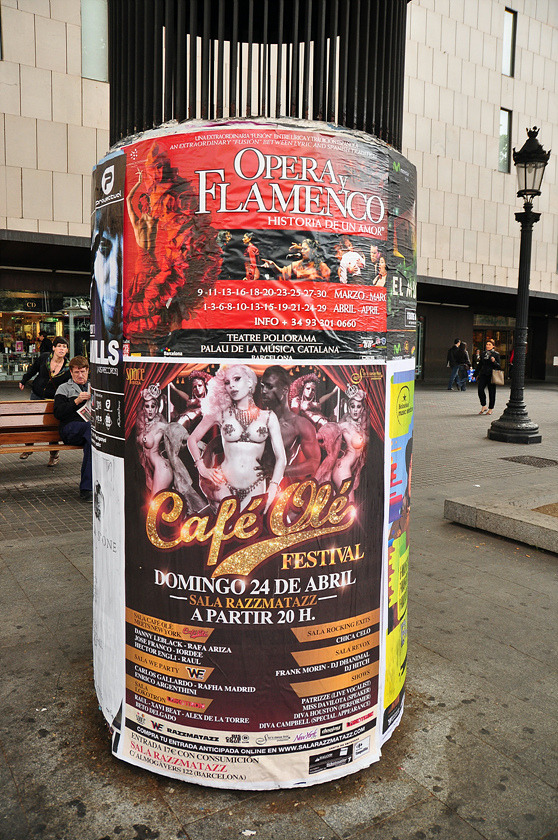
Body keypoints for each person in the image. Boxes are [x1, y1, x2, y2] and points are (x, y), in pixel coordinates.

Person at [187, 365, 286, 512]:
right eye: (227, 382)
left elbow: (281, 458)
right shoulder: (220, 413)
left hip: (256, 487)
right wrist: (202, 468)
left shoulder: (268, 417)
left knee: (251, 526)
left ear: (250, 382)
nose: (232, 385)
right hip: (223, 486)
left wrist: (273, 486)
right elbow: (192, 440)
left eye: (237, 379)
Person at [259, 366, 321, 480]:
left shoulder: (300, 425)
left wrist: (278, 471)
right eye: (262, 386)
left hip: (277, 486)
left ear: (284, 389)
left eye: (269, 387)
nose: (263, 391)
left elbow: (314, 462)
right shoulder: (255, 419)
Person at [19, 336, 71, 466]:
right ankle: (28, 447)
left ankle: (54, 454)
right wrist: (24, 380)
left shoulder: (68, 367)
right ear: (53, 348)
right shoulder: (44, 358)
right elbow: (33, 369)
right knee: (32, 422)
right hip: (37, 394)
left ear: (67, 350)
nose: (61, 349)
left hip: (53, 398)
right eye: (59, 346)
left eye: (64, 347)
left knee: (52, 426)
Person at [53, 356, 92, 501]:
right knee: (91, 431)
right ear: (71, 372)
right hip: (70, 429)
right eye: (76, 372)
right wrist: (76, 401)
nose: (80, 375)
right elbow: (58, 413)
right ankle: (87, 488)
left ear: (87, 371)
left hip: (88, 431)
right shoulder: (64, 388)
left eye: (83, 372)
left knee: (92, 443)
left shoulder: (93, 387)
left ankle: (88, 488)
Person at [135, 384, 173, 497]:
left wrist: (198, 444)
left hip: (162, 468)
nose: (150, 410)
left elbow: (177, 433)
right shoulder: (141, 427)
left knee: (154, 503)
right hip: (150, 471)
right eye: (147, 406)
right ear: (143, 408)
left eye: (153, 406)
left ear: (157, 408)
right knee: (154, 503)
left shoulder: (160, 425)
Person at [332, 387, 368, 501]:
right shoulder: (345, 425)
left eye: (358, 406)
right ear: (349, 408)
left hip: (349, 470)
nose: (355, 410)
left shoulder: (360, 428)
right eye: (352, 406)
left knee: (345, 506)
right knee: (349, 505)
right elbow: (330, 431)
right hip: (342, 469)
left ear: (362, 409)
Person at [262, 239, 330, 281]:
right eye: (302, 249)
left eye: (305, 249)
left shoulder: (322, 267)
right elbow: (283, 273)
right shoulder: (296, 265)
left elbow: (326, 286)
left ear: (313, 250)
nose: (302, 251)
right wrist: (273, 266)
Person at [477, 339, 501, 415]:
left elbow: (499, 366)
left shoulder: (496, 354)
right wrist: (475, 374)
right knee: (480, 389)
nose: (487, 346)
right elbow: (480, 365)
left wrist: (494, 361)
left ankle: (490, 408)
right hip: (483, 374)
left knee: (492, 392)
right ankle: (483, 405)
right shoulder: (483, 354)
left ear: (493, 346)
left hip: (491, 375)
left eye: (489, 344)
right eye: (487, 344)